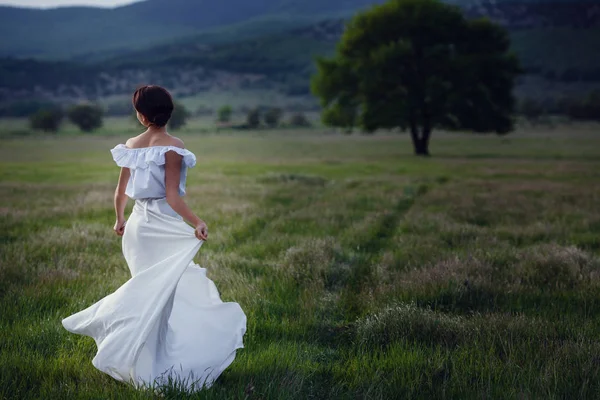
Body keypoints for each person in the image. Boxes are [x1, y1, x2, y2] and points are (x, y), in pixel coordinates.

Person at [62, 85, 246, 391]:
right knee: (158, 297)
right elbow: (172, 197)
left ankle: (140, 361)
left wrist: (120, 219)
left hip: (137, 228)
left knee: (150, 292)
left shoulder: (131, 145)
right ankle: (149, 365)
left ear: (142, 114)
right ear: (167, 113)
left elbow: (120, 192)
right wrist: (197, 221)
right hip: (161, 226)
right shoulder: (173, 146)